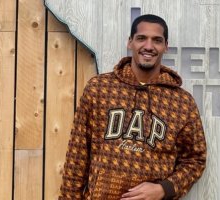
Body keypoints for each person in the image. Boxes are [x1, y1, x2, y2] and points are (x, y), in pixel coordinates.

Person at [59, 14, 207, 200]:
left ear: (166, 46)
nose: (148, 46)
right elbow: (77, 154)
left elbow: (195, 159)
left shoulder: (182, 102)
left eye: (157, 40)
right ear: (130, 42)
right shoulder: (99, 88)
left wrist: (164, 189)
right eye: (141, 38)